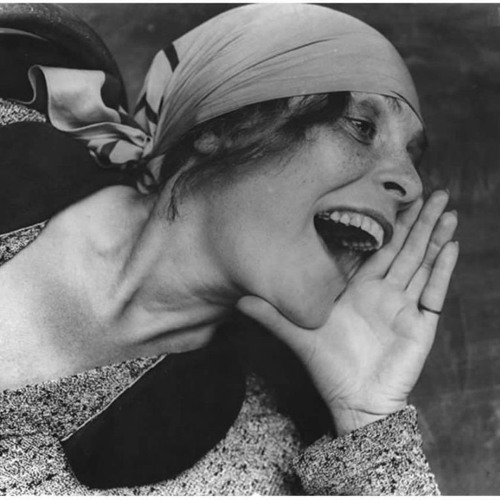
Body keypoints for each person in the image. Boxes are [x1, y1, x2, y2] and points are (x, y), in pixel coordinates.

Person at [0, 4, 458, 495]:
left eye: (411, 158)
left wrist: (369, 424)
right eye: (361, 127)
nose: (411, 185)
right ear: (222, 127)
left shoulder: (255, 461)